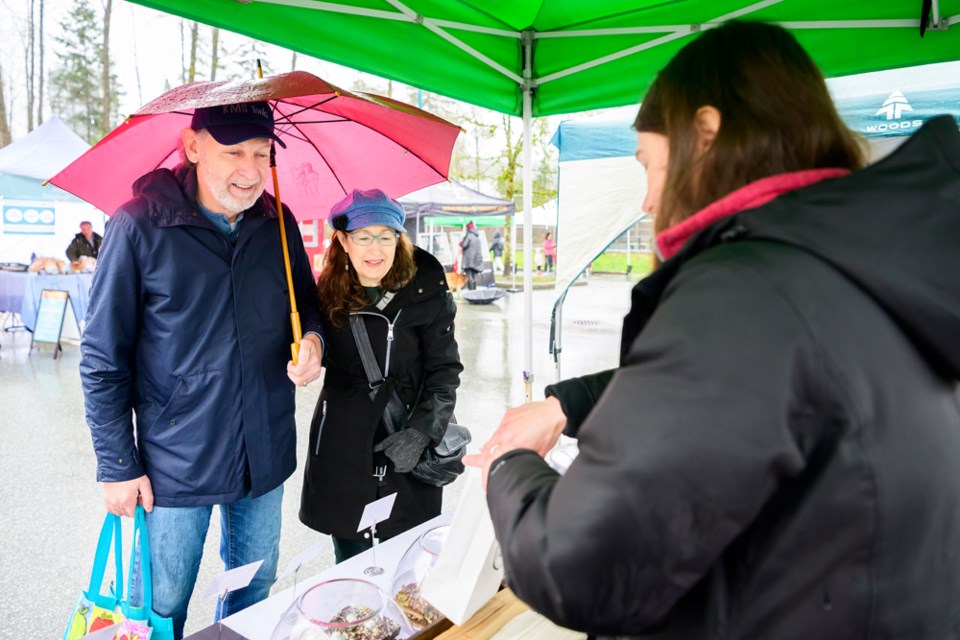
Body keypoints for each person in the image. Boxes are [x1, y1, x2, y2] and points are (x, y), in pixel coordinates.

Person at [466, 21, 960, 639]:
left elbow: (583, 565)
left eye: (648, 164)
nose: (647, 201)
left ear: (705, 133)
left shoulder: (747, 288)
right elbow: (748, 388)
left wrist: (508, 467)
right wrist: (568, 403)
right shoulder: (848, 263)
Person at [80, 101, 324, 638]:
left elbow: (309, 305)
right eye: (233, 152)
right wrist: (117, 464)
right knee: (162, 603)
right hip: (176, 459)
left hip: (264, 448)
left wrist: (312, 340)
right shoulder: (137, 226)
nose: (251, 170)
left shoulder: (276, 222)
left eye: (261, 154)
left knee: (253, 588)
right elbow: (102, 358)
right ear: (193, 147)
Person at [300, 188, 462, 563]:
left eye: (386, 237)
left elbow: (445, 371)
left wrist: (422, 431)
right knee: (351, 557)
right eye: (364, 237)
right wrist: (304, 351)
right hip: (344, 442)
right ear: (342, 239)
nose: (376, 250)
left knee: (408, 556)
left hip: (408, 436)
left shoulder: (426, 289)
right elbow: (311, 344)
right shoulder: (324, 292)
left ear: (398, 238)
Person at [459, 220, 483, 290]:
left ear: (468, 228)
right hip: (477, 260)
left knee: (469, 276)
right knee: (474, 275)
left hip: (469, 260)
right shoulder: (477, 236)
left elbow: (464, 245)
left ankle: (471, 290)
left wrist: (461, 242)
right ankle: (474, 290)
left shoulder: (469, 235)